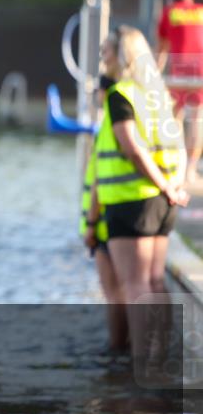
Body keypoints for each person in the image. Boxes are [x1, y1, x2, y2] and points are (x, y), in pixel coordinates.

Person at [93, 26, 187, 366]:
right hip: (162, 203)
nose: (103, 62)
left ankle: (142, 364)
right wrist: (173, 186)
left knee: (134, 283)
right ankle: (161, 356)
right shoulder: (157, 96)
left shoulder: (122, 95)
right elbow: (179, 145)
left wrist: (162, 184)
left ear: (123, 56)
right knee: (153, 281)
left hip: (132, 199)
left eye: (107, 54)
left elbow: (131, 147)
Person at [80, 78, 127, 353]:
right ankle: (127, 348)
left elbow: (98, 180)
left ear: (103, 93)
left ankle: (117, 350)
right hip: (120, 215)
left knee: (114, 294)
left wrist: (91, 223)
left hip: (105, 222)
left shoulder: (109, 127)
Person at [156, 0, 203, 182]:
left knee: (174, 116)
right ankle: (190, 171)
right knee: (197, 119)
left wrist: (154, 76)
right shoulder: (200, 11)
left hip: (179, 71)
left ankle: (174, 164)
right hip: (200, 71)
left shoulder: (169, 12)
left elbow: (162, 50)